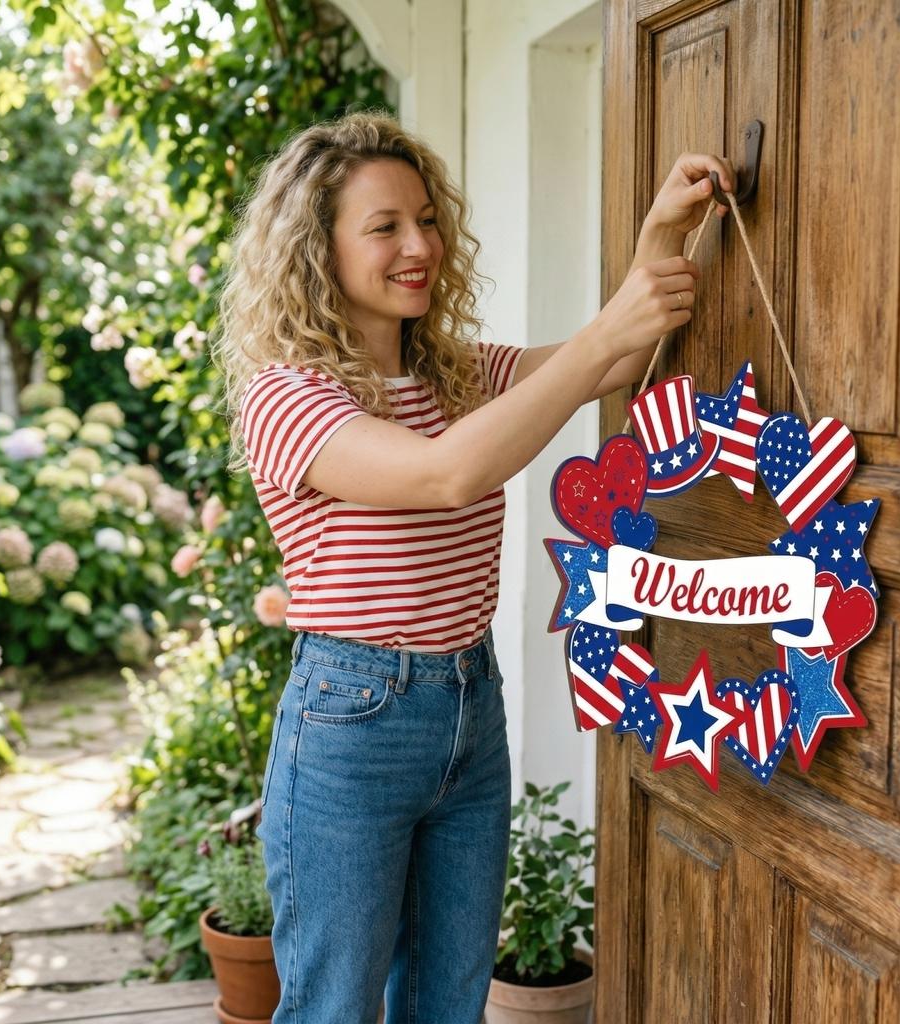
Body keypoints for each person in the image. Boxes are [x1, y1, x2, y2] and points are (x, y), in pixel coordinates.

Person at [212, 111, 733, 1024]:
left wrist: (658, 244)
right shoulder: (284, 393)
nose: (420, 244)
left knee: (450, 1002)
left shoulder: (457, 371)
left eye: (427, 218)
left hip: (467, 704)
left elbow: (610, 362)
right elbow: (448, 474)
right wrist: (602, 335)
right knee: (334, 1007)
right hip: (353, 723)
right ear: (315, 249)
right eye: (384, 227)